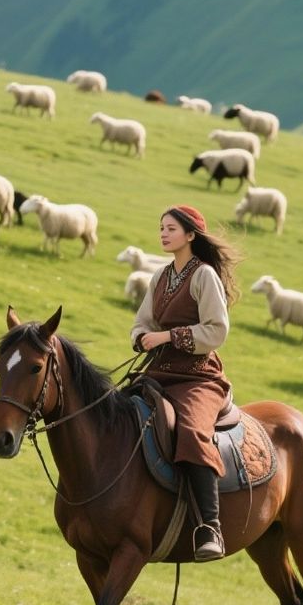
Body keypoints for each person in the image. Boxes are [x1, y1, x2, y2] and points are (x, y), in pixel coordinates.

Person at [130, 205, 240, 561]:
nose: (163, 233)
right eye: (161, 227)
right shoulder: (159, 277)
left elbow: (216, 330)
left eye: (171, 228)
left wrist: (165, 338)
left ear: (190, 235)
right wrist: (141, 337)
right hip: (159, 372)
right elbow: (142, 321)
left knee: (192, 431)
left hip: (198, 376)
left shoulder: (204, 275)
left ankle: (210, 527)